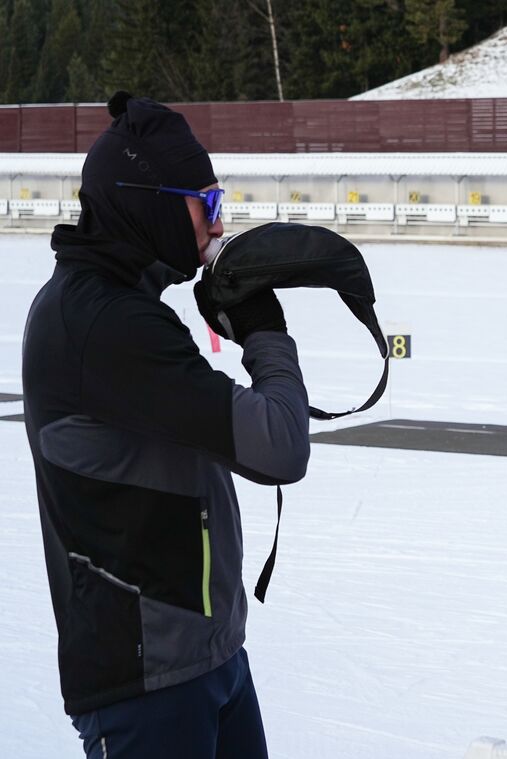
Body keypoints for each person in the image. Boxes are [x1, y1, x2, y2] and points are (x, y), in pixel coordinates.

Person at [21, 92, 308, 758]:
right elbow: (279, 445)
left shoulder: (114, 306)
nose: (218, 221)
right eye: (205, 204)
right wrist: (266, 332)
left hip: (203, 655)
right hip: (149, 683)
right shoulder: (108, 325)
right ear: (148, 200)